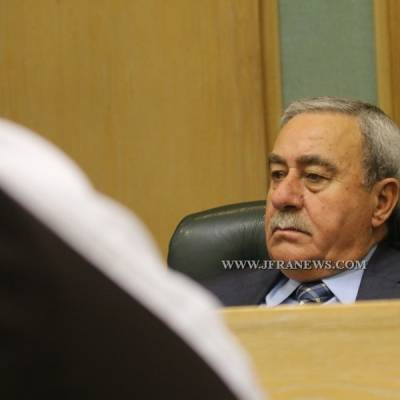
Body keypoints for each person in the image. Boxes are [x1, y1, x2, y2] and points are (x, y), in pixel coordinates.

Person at [0, 119, 264, 400]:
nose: (282, 196)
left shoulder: (24, 202)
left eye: (304, 176)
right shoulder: (217, 297)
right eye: (277, 175)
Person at [203, 97, 400, 306]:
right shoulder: (207, 305)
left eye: (314, 177)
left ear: (381, 202)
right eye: (277, 174)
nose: (282, 196)